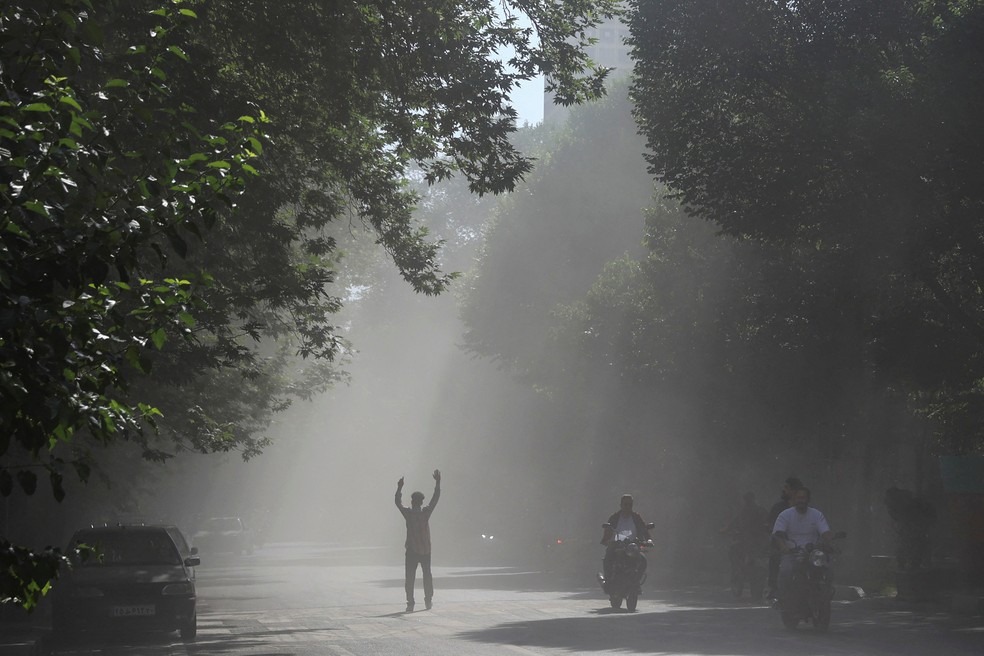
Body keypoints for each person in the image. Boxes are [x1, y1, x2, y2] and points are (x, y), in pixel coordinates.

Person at [772, 486, 832, 607]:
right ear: (794, 499)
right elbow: (777, 534)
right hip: (792, 553)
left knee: (828, 568)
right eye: (798, 498)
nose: (801, 500)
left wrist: (830, 543)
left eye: (804, 497)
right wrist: (784, 547)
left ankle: (826, 592)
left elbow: (825, 532)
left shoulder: (816, 514)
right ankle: (782, 599)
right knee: (785, 570)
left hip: (812, 553)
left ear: (808, 499)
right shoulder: (785, 515)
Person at [395, 469, 441, 612]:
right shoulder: (425, 513)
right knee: (427, 575)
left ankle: (410, 602)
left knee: (410, 577)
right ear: (421, 502)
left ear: (412, 501)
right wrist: (438, 483)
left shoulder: (408, 514)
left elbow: (398, 502)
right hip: (426, 550)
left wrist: (399, 487)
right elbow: (435, 499)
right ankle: (428, 600)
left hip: (412, 550)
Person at [599, 494, 652, 593]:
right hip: (617, 545)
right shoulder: (614, 517)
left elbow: (644, 529)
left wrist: (648, 540)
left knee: (643, 560)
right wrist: (608, 541)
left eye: (630, 505)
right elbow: (608, 531)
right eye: (625, 504)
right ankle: (608, 583)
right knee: (608, 558)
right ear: (621, 505)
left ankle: (636, 581)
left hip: (632, 545)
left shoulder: (636, 517)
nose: (627, 507)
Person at [721, 492, 769, 588]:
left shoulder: (743, 512)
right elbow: (769, 523)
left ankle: (737, 572)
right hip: (761, 543)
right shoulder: (761, 510)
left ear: (745, 500)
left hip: (746, 543)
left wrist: (724, 531)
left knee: (733, 552)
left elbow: (732, 524)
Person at [766, 476, 802, 599]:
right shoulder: (778, 508)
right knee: (776, 558)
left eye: (787, 488)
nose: (784, 490)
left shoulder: (805, 509)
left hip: (802, 546)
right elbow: (773, 529)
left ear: (795, 491)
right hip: (782, 546)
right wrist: (782, 544)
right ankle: (774, 587)